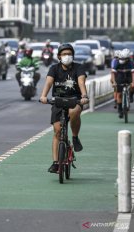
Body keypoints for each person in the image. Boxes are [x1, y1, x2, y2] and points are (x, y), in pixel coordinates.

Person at [39, 43, 89, 173]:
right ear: (59, 56)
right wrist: (43, 96)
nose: (67, 56)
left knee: (74, 111)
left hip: (75, 100)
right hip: (58, 101)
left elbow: (81, 82)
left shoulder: (79, 68)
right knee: (57, 132)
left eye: (69, 54)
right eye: (64, 54)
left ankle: (75, 137)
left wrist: (84, 95)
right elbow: (49, 82)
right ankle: (56, 162)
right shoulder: (54, 68)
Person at [111, 48, 134, 118]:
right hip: (120, 77)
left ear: (127, 58)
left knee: (133, 86)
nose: (121, 60)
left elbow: (133, 73)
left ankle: (130, 95)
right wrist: (114, 82)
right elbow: (113, 73)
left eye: (123, 59)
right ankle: (120, 110)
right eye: (120, 58)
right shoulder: (116, 62)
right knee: (119, 94)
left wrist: (133, 82)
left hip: (128, 76)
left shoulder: (130, 62)